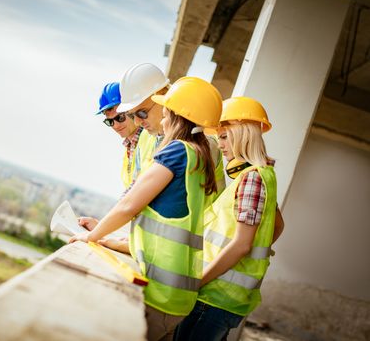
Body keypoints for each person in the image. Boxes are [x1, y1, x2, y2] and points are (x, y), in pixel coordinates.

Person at [70, 77, 223, 341]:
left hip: (160, 293)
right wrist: (109, 239)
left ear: (177, 115)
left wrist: (90, 237)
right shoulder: (200, 156)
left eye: (165, 112)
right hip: (179, 295)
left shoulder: (177, 152)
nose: (161, 119)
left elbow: (129, 205)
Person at [174, 97, 284, 341]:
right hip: (220, 297)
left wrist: (196, 281)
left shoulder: (252, 179)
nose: (220, 144)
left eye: (224, 136)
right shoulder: (263, 175)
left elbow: (242, 244)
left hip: (214, 296)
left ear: (243, 134)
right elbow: (278, 226)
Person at [117, 63, 225, 194]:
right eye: (131, 115)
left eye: (142, 113)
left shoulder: (203, 143)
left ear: (163, 96)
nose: (137, 122)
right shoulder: (145, 137)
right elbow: (134, 189)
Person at [78, 82, 143, 253]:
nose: (115, 125)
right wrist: (103, 227)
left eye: (120, 118)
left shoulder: (148, 141)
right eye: (109, 121)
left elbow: (135, 196)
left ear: (132, 109)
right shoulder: (131, 146)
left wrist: (100, 231)